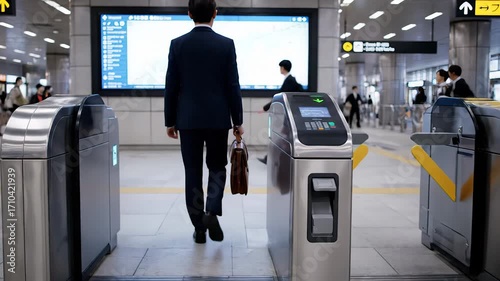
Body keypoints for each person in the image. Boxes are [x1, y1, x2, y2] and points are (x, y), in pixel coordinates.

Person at [164, 0, 244, 244]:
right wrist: (237, 120)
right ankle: (211, 210)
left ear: (189, 14)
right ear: (215, 14)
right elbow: (233, 86)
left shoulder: (177, 45)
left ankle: (199, 227)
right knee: (217, 167)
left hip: (187, 120)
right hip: (218, 119)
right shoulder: (226, 44)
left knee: (192, 171)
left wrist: (170, 120)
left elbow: (171, 85)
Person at [258, 60, 302, 164]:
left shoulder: (289, 81)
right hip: (290, 114)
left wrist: (265, 108)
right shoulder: (290, 80)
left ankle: (271, 158)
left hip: (290, 115)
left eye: (280, 67)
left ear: (283, 68)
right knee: (282, 137)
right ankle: (270, 158)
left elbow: (278, 96)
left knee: (282, 137)